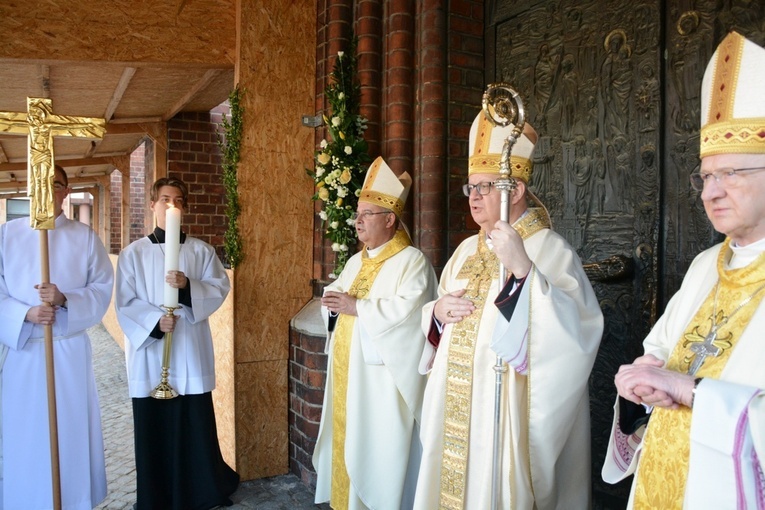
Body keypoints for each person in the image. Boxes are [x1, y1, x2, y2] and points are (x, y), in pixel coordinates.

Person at [603, 31, 765, 509]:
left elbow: (686, 383)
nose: (709, 192)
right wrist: (643, 375)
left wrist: (691, 391)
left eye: (731, 173)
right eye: (705, 176)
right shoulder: (704, 265)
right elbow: (660, 351)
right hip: (665, 475)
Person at [413, 112, 604, 509]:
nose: (473, 197)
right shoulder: (466, 249)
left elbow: (576, 334)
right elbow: (437, 315)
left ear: (515, 189)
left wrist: (523, 269)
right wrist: (436, 311)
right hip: (456, 403)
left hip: (503, 412)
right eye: (471, 187)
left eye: (484, 187)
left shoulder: (549, 249)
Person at [313, 156, 438, 510]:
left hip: (383, 382)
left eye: (366, 214)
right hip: (350, 377)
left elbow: (412, 316)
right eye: (357, 213)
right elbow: (334, 302)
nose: (357, 221)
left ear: (389, 219)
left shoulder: (412, 262)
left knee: (380, 457)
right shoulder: (356, 261)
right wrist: (333, 305)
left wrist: (359, 307)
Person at [115, 177, 238, 510]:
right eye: (165, 199)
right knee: (154, 426)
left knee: (192, 422)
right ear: (153, 204)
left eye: (179, 200)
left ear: (184, 208)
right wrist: (155, 323)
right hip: (150, 353)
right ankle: (157, 495)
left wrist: (187, 288)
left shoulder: (200, 251)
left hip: (189, 350)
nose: (172, 205)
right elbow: (124, 303)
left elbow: (218, 288)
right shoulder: (133, 254)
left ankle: (199, 490)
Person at [0, 165, 113, 509]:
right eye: (43, 183)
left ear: (66, 192)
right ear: (31, 188)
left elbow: (102, 289)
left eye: (57, 185)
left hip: (67, 354)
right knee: (26, 437)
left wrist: (65, 300)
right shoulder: (7, 235)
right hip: (24, 354)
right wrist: (25, 314)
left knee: (69, 435)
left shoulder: (85, 237)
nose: (49, 191)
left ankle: (71, 500)